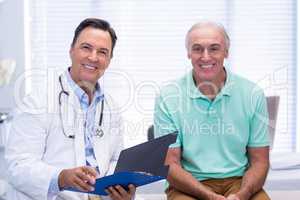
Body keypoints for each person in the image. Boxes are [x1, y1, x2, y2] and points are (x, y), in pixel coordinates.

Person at [5, 18, 136, 200]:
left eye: (102, 52)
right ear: (71, 50)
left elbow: (115, 160)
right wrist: (61, 177)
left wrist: (120, 188)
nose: (93, 57)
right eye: (86, 48)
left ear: (109, 60)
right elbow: (17, 166)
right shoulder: (37, 101)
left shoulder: (111, 107)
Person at [154, 21, 270, 200]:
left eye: (214, 48)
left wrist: (241, 195)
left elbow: (260, 161)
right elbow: (171, 164)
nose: (206, 57)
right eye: (198, 49)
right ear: (188, 53)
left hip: (239, 182)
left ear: (226, 52)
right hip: (188, 184)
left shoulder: (252, 93)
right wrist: (209, 196)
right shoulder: (168, 96)